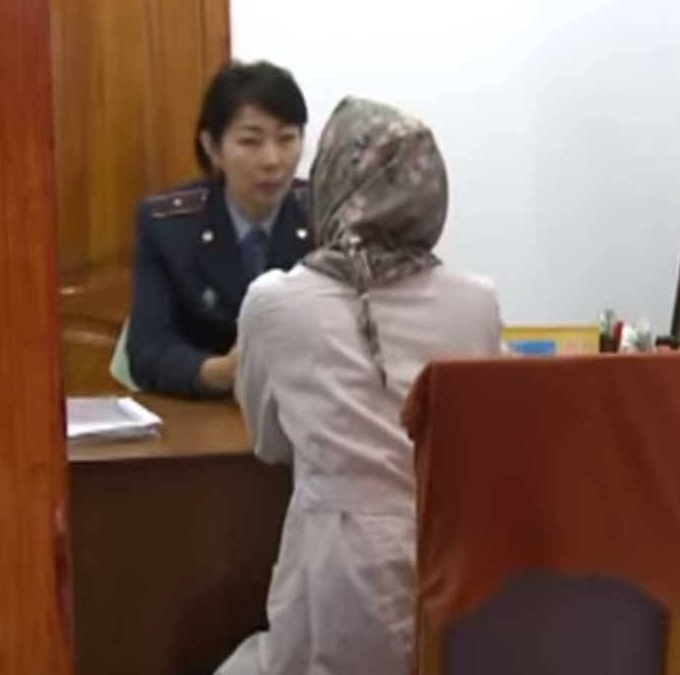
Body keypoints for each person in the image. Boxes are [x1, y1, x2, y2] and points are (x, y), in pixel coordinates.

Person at [216, 97, 504, 675]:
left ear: (330, 182)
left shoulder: (274, 303)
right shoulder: (478, 301)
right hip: (455, 559)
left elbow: (269, 444)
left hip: (338, 567)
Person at [126, 60, 313, 398]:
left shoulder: (325, 217)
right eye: (251, 142)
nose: (272, 160)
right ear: (212, 147)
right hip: (205, 414)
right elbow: (148, 353)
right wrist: (220, 372)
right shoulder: (167, 227)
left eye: (287, 139)